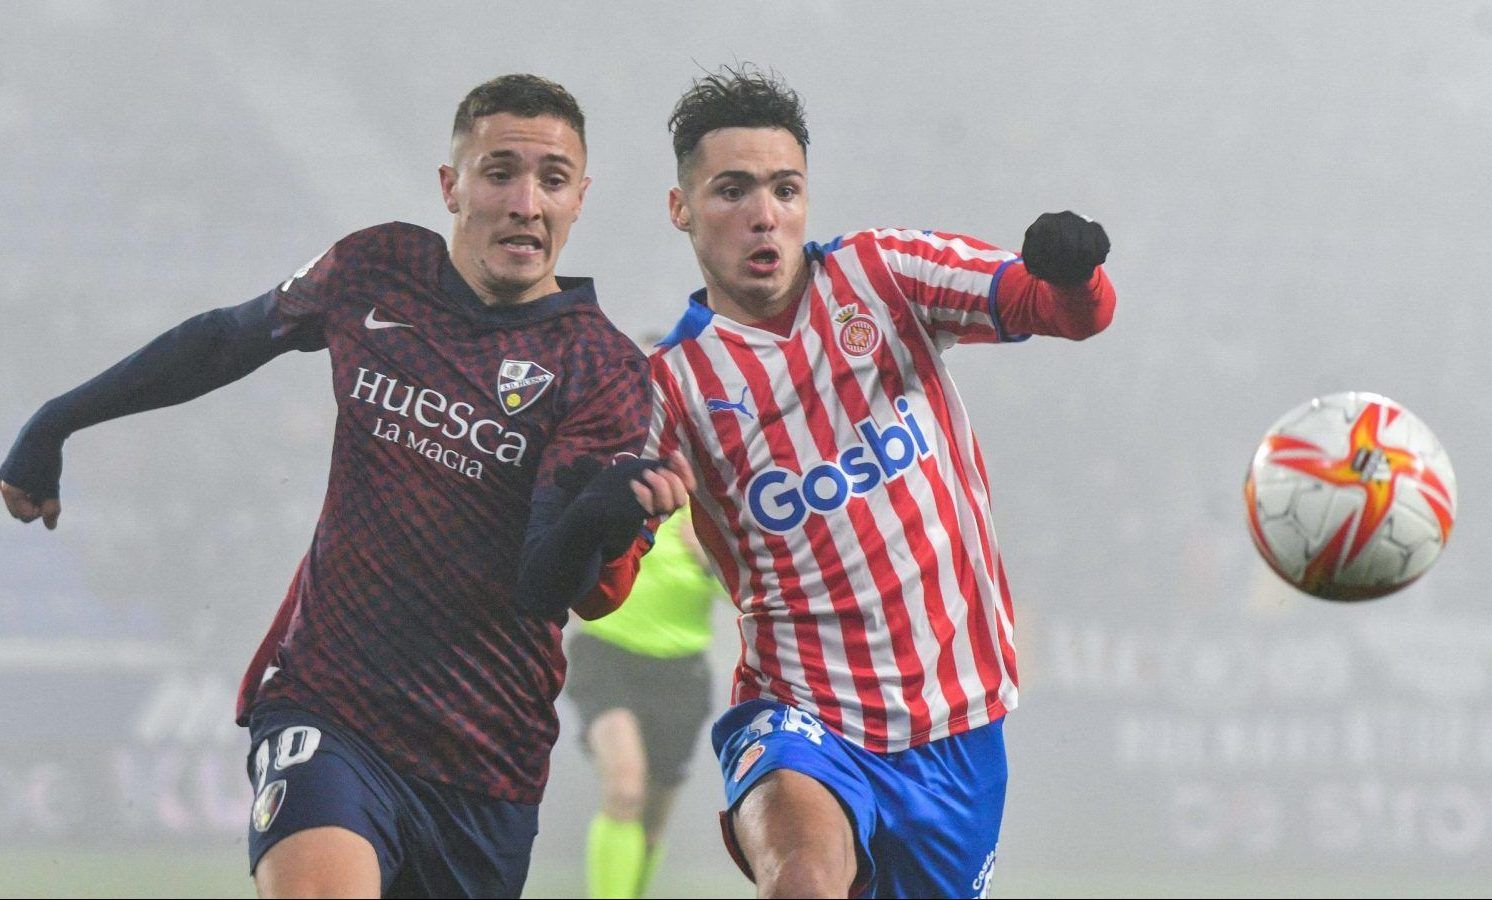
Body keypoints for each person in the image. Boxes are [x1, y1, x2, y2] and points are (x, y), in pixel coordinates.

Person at [0, 74, 690, 899]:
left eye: (552, 179)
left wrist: (600, 516)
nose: (525, 203)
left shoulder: (601, 368)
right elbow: (225, 340)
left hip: (485, 759)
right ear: (452, 186)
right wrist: (56, 421)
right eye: (499, 172)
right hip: (330, 710)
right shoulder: (378, 268)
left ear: (580, 198)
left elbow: (546, 587)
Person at [597, 68, 1117, 898]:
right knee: (802, 879)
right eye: (732, 190)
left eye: (784, 189)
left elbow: (1058, 310)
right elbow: (601, 586)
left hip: (957, 723)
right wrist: (596, 520)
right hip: (803, 715)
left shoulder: (882, 274)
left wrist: (1073, 273)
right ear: (681, 207)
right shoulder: (670, 385)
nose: (764, 214)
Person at [566, 498, 723, 898]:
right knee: (625, 789)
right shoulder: (626, 486)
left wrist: (713, 559)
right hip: (607, 654)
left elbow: (753, 593)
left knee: (651, 825)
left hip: (681, 672)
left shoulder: (715, 505)